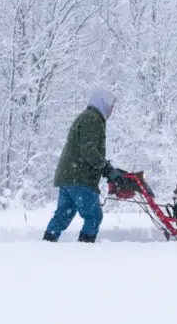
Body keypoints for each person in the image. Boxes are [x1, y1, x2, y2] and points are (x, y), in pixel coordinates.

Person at [42, 86, 126, 243]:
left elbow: (86, 148)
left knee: (63, 215)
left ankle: (47, 244)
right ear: (102, 103)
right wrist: (105, 168)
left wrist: (105, 168)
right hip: (80, 177)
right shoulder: (92, 119)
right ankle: (84, 251)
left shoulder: (87, 117)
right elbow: (88, 149)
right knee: (94, 216)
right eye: (110, 106)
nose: (112, 110)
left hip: (68, 177)